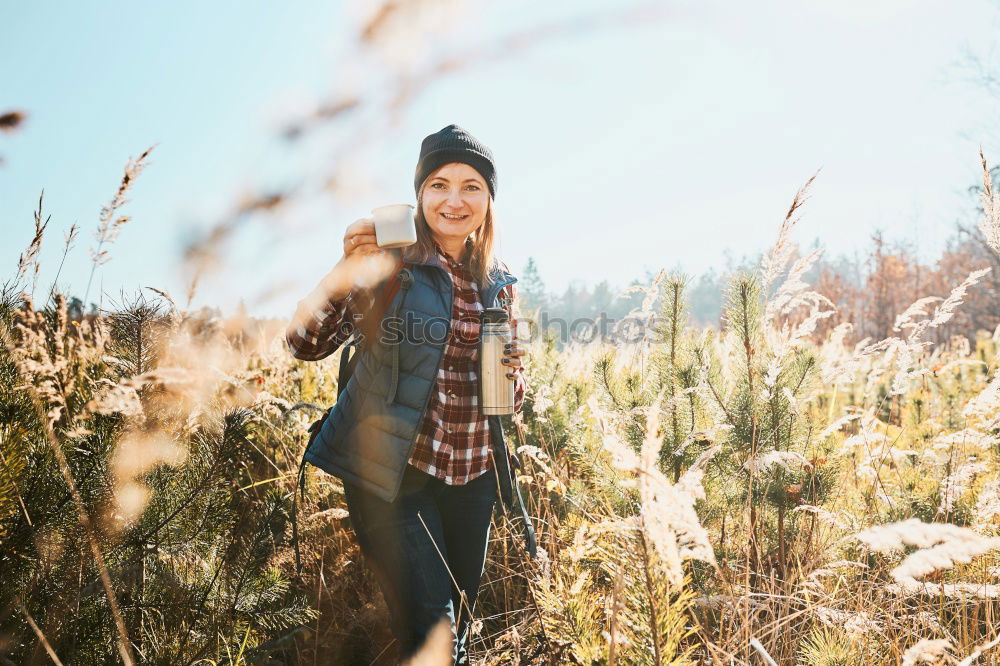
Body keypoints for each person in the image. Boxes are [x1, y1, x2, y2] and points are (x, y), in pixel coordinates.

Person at [286, 124, 533, 663]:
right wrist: (343, 272)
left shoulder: (499, 281)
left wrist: (513, 376)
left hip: (471, 476)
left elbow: (506, 404)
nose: (455, 199)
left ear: (489, 201)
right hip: (393, 477)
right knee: (436, 633)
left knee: (459, 620)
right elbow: (303, 343)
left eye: (472, 186)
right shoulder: (390, 261)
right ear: (419, 195)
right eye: (439, 184)